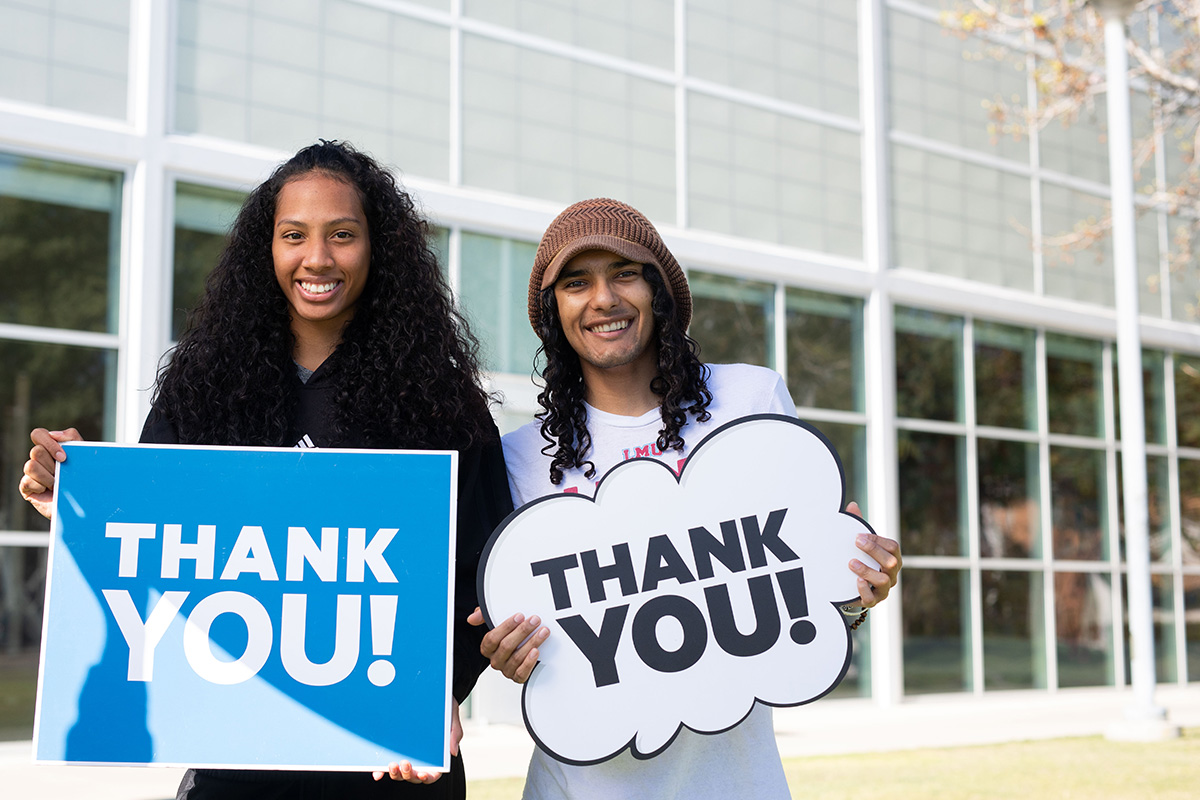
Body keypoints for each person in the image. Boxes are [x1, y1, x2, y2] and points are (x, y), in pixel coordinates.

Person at [19, 140, 513, 799]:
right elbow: (150, 544)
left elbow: (486, 576)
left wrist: (434, 696)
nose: (317, 258)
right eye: (294, 235)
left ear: (377, 248)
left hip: (391, 765)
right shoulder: (202, 387)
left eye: (343, 234)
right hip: (237, 766)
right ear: (267, 248)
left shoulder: (442, 401)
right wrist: (76, 497)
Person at [469, 197, 903, 799]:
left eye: (625, 272)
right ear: (554, 312)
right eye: (576, 282)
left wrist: (852, 589)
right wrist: (508, 653)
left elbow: (801, 590)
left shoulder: (749, 400)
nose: (603, 299)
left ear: (662, 291)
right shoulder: (519, 458)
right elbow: (525, 634)